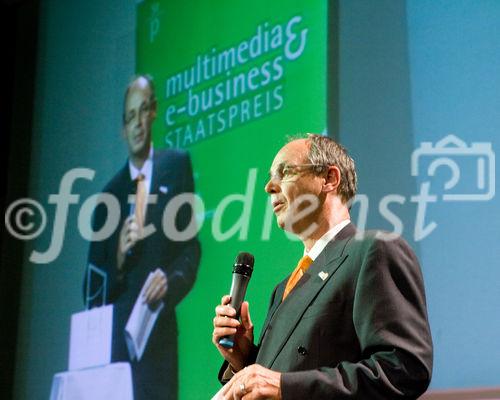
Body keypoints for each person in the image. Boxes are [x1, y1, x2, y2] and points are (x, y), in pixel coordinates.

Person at [212, 134, 432, 399]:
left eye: (285, 172)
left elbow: (404, 370)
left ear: (329, 179)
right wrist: (243, 358)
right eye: (271, 177)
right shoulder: (283, 288)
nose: (269, 186)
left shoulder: (374, 250)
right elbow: (287, 375)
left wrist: (284, 386)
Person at [85, 75, 200, 400]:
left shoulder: (176, 166)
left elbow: (190, 248)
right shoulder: (108, 196)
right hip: (116, 349)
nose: (137, 124)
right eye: (129, 117)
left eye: (143, 111)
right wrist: (117, 262)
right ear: (123, 127)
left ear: (153, 112)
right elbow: (90, 292)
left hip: (159, 341)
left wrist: (171, 281)